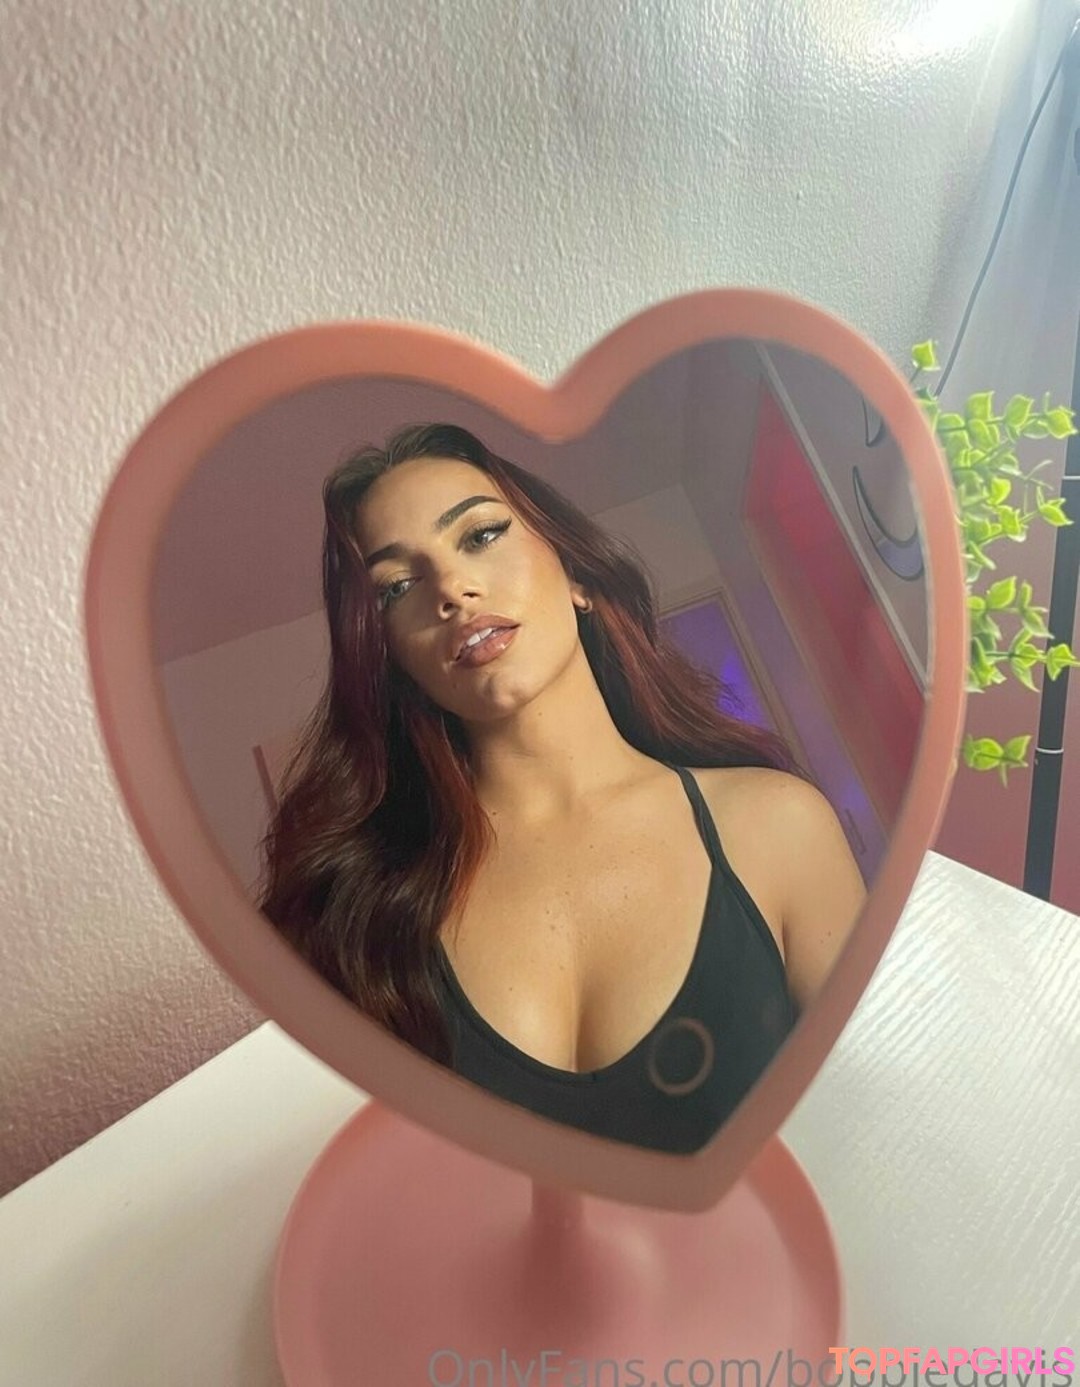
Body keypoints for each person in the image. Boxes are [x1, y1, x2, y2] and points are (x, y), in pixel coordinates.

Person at [259, 423, 867, 1153]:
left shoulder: (777, 824)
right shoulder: (360, 916)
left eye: (481, 535)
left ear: (576, 575)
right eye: (398, 586)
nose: (451, 590)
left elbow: (877, 1134)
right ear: (391, 658)